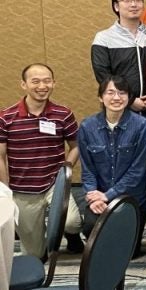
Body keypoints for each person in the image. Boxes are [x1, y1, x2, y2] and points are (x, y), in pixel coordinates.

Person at [0, 64, 84, 258]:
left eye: (47, 80)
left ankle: (72, 236)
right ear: (23, 84)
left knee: (72, 222)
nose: (42, 86)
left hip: (54, 183)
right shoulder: (6, 118)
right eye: (35, 81)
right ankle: (42, 241)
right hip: (22, 189)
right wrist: (5, 190)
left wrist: (66, 170)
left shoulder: (63, 114)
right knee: (36, 255)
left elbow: (76, 145)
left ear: (54, 82)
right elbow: (1, 156)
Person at [78, 76, 146, 256]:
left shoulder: (142, 125)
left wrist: (107, 195)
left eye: (122, 93)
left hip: (132, 197)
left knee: (129, 254)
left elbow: (138, 171)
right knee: (89, 228)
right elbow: (87, 169)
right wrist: (92, 197)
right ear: (101, 97)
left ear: (129, 97)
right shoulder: (87, 126)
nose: (116, 98)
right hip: (100, 197)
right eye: (110, 93)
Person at [91, 0, 146, 115]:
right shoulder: (104, 38)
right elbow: (104, 77)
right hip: (119, 107)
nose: (133, 4)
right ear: (116, 6)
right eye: (127, 1)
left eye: (137, 0)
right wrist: (130, 100)